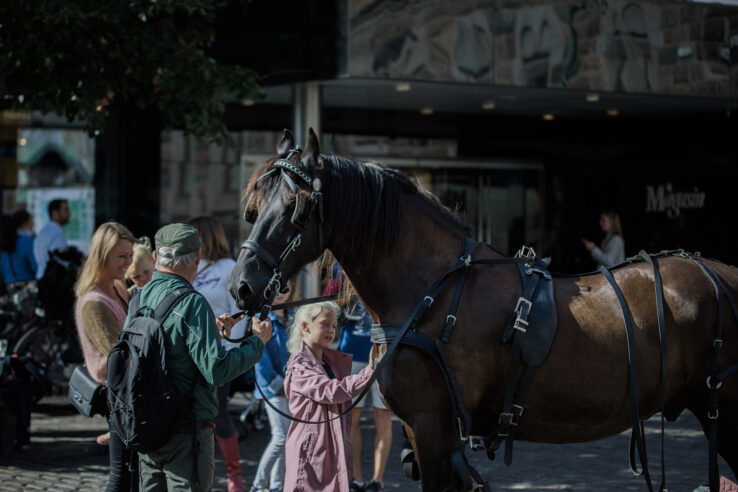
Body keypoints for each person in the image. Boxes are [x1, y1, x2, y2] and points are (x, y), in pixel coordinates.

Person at [134, 223, 271, 492]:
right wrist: (257, 342)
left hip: (147, 424)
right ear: (197, 256)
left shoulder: (139, 298)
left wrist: (214, 335)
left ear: (154, 258)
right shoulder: (192, 303)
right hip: (186, 428)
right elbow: (216, 370)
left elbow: (164, 347)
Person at [284, 301, 374, 492]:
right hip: (311, 451)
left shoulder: (328, 362)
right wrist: (370, 371)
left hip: (327, 448)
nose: (331, 330)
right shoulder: (300, 364)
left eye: (334, 326)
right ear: (305, 326)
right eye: (325, 324)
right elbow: (331, 392)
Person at [73, 221, 136, 491]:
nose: (128, 263)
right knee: (120, 476)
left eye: (130, 256)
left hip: (127, 390)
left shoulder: (117, 286)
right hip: (117, 394)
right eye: (122, 257)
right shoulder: (94, 302)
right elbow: (117, 355)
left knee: (129, 473)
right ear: (102, 255)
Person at [188, 216, 248, 492]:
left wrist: (230, 352)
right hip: (188, 355)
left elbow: (240, 313)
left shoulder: (229, 268)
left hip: (218, 354)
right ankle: (198, 473)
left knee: (218, 413)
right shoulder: (189, 267)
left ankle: (234, 474)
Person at [324, 266, 391, 492]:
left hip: (383, 352)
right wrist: (347, 294)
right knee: (352, 417)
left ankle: (377, 481)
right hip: (351, 353)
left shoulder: (384, 259)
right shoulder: (339, 268)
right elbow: (325, 307)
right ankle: (357, 479)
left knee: (382, 415)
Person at [251, 281, 295, 492]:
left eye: (285, 288)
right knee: (281, 438)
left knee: (285, 439)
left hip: (291, 388)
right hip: (272, 389)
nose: (280, 293)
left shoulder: (293, 316)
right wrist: (279, 385)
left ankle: (276, 486)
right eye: (275, 288)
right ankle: (258, 485)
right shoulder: (262, 319)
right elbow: (261, 360)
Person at [34, 198, 71, 279]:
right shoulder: (55, 234)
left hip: (43, 277)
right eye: (65, 210)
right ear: (54, 213)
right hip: (52, 280)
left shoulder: (44, 232)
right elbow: (61, 260)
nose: (69, 214)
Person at [1, 210, 37, 286]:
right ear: (24, 224)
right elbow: (36, 266)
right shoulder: (27, 240)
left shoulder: (6, 239)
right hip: (25, 286)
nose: (33, 226)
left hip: (8, 285)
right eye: (31, 223)